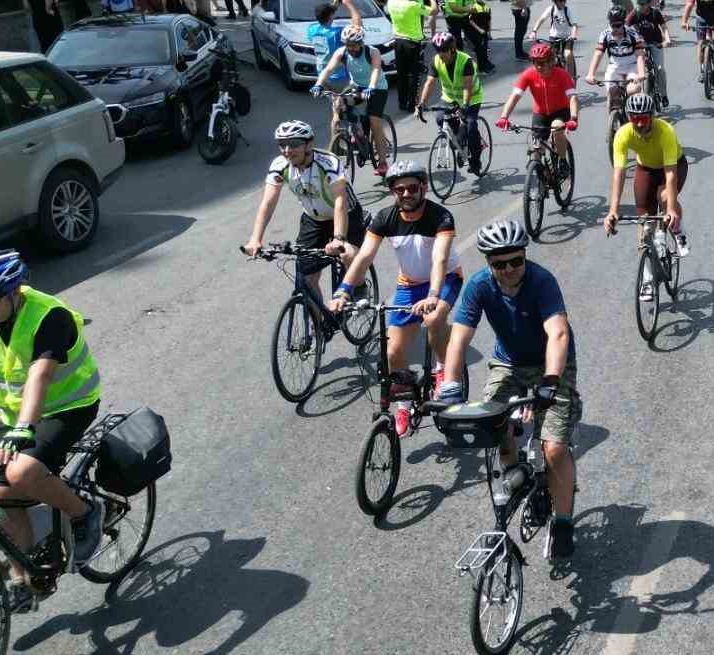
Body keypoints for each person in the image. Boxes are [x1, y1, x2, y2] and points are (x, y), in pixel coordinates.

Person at [438, 220, 581, 559]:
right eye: (499, 264)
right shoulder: (479, 285)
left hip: (551, 363)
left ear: (524, 256)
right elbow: (458, 337)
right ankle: (514, 468)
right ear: (489, 263)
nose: (509, 269)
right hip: (509, 363)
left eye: (516, 260)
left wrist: (549, 382)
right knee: (492, 421)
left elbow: (558, 334)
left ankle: (562, 521)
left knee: (554, 450)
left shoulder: (542, 281)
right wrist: (451, 386)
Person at [0, 250, 104, 592]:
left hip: (67, 406)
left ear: (13, 293)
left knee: (20, 472)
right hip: (13, 412)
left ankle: (84, 513)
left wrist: (22, 428)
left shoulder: (48, 316)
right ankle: (24, 578)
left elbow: (39, 376)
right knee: (2, 492)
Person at [329, 161, 462, 437]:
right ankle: (404, 403)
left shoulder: (441, 217)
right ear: (392, 192)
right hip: (409, 284)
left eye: (412, 187)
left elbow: (438, 259)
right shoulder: (384, 218)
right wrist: (343, 290)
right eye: (398, 189)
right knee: (392, 352)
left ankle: (440, 369)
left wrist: (434, 295)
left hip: (444, 279)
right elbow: (364, 256)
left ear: (423, 187)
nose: (406, 194)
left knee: (434, 316)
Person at [242, 119, 367, 307]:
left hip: (345, 215)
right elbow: (268, 202)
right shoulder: (280, 164)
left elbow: (340, 201)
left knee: (347, 253)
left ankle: (359, 286)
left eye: (293, 144)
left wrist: (339, 238)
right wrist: (255, 239)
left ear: (309, 144)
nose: (287, 150)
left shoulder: (328, 162)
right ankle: (318, 328)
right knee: (306, 280)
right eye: (282, 145)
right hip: (314, 220)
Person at [604, 93, 690, 281]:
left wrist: (671, 210)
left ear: (652, 116)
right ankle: (647, 278)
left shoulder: (665, 130)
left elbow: (670, 173)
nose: (640, 124)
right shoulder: (623, 134)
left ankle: (678, 230)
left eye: (644, 118)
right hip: (646, 169)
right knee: (644, 226)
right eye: (635, 119)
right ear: (629, 117)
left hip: (674, 165)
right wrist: (613, 210)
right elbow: (619, 173)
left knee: (666, 197)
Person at [311, 26, 391, 176]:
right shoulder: (342, 53)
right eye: (347, 44)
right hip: (356, 86)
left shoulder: (372, 52)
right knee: (340, 104)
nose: (350, 48)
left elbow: (375, 70)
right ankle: (356, 133)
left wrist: (371, 87)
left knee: (374, 121)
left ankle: (382, 163)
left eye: (353, 45)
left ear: (361, 43)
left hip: (377, 88)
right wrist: (318, 84)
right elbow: (328, 69)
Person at [415, 31, 487, 175]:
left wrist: (465, 106)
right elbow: (429, 83)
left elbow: (467, 87)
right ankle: (460, 142)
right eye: (438, 51)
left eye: (443, 51)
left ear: (452, 49)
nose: (440, 54)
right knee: (441, 118)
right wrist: (421, 104)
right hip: (450, 97)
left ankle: (475, 160)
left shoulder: (465, 61)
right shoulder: (436, 60)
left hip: (471, 98)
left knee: (470, 125)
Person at [497, 41, 580, 166]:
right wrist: (504, 117)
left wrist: (573, 118)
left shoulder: (562, 74)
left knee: (557, 128)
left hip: (560, 111)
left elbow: (573, 97)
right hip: (540, 114)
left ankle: (563, 161)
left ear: (551, 62)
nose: (538, 67)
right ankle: (541, 177)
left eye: (542, 63)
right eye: (535, 63)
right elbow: (514, 96)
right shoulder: (528, 74)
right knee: (536, 150)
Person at [585, 6, 650, 120]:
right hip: (615, 66)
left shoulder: (632, 33)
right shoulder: (605, 34)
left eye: (618, 25)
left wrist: (641, 73)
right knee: (611, 95)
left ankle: (635, 117)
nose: (615, 28)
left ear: (624, 22)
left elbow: (640, 54)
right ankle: (614, 120)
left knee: (632, 90)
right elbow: (598, 54)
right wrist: (591, 74)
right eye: (612, 25)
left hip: (632, 66)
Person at [387, 0, 435, 114]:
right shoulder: (413, 6)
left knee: (402, 74)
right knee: (414, 75)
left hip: (398, 42)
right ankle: (411, 104)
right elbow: (434, 11)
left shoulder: (391, 2)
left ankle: (402, 103)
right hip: (412, 43)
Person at [626, 0, 673, 107]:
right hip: (640, 45)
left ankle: (663, 94)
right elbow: (625, 28)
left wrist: (667, 40)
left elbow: (664, 27)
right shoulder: (634, 13)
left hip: (655, 43)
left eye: (643, 3)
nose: (640, 5)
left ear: (649, 3)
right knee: (637, 69)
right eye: (639, 3)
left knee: (660, 69)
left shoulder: (655, 13)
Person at [443, 0, 493, 72]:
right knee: (457, 43)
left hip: (465, 18)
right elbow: (454, 8)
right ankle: (456, 67)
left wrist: (481, 7)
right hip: (453, 19)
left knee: (479, 40)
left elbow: (474, 4)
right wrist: (468, 9)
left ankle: (483, 65)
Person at [531, 0, 580, 78]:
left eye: (564, 0)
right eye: (560, 0)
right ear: (555, 1)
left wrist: (573, 35)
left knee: (568, 54)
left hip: (567, 36)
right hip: (554, 36)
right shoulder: (551, 9)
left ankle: (570, 77)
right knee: (550, 56)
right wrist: (534, 31)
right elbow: (541, 19)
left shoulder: (567, 10)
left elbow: (574, 25)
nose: (563, 2)